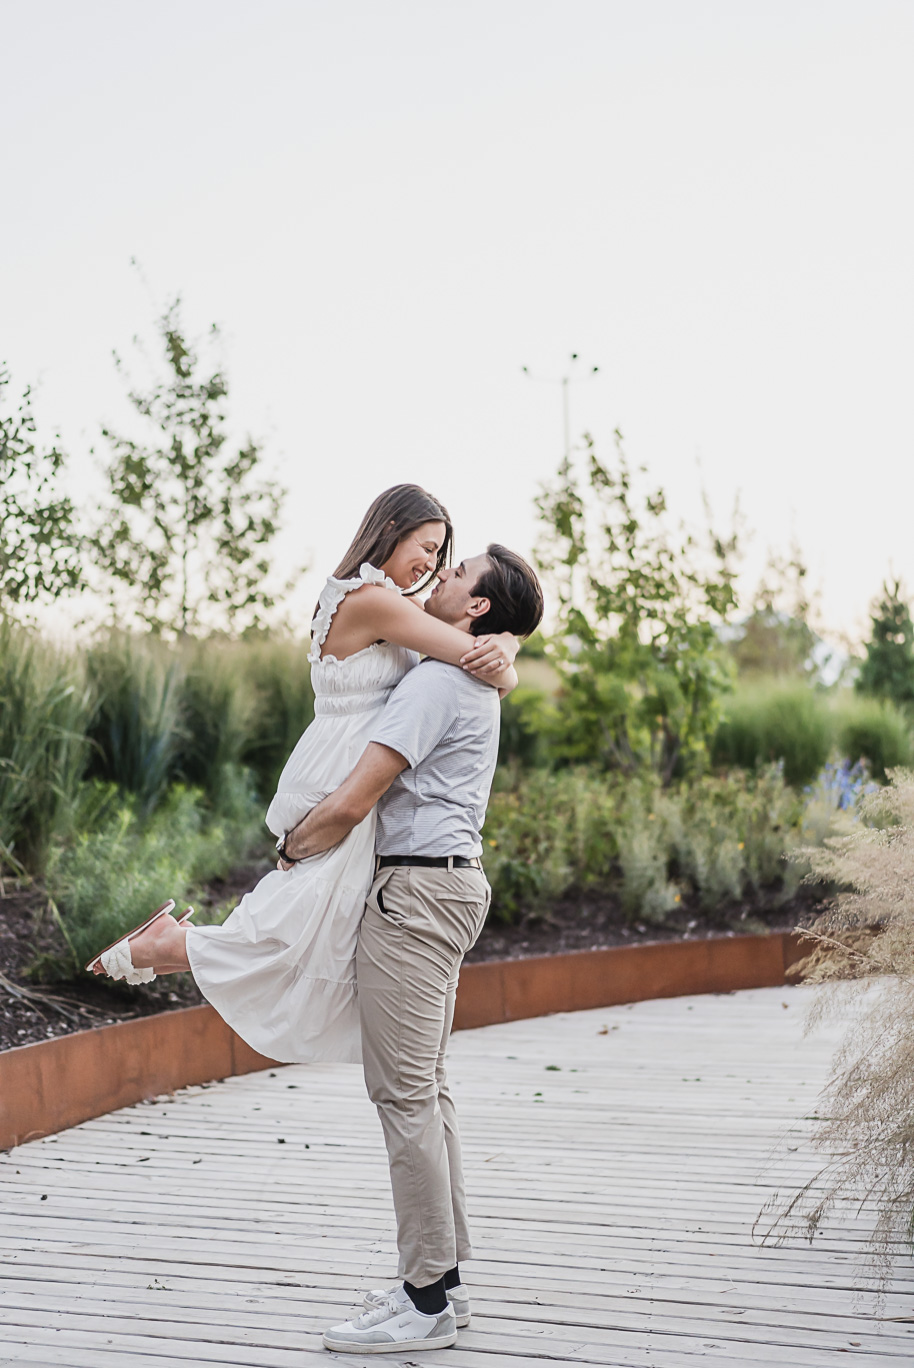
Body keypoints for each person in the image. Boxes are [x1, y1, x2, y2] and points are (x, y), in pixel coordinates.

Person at [86, 484, 520, 1069]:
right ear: (391, 526)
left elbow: (464, 648)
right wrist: (506, 659)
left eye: (444, 556)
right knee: (295, 921)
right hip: (340, 768)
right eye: (429, 546)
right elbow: (471, 658)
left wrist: (503, 647)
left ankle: (170, 946)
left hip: (344, 758)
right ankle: (168, 945)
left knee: (310, 920)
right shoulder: (371, 599)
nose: (434, 565)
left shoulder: (388, 600)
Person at [273, 543, 545, 1355]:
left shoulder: (434, 682)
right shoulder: (466, 672)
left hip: (418, 895)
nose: (439, 577)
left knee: (404, 1097)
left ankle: (423, 1299)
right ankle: (442, 1284)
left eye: (456, 575)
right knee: (427, 1090)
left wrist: (289, 851)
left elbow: (355, 800)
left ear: (477, 610)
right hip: (447, 887)